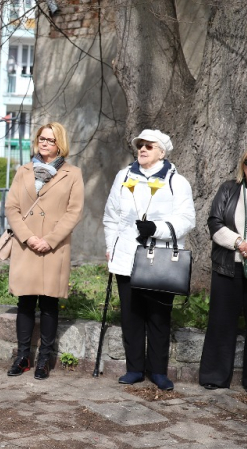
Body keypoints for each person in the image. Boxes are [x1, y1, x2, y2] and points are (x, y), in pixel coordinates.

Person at [103, 129, 195, 391]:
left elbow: (187, 219)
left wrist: (157, 228)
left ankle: (158, 371)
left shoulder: (177, 182)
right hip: (126, 257)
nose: (142, 149)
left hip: (160, 259)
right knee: (131, 315)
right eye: (140, 145)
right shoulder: (123, 176)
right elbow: (111, 217)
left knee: (158, 316)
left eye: (149, 146)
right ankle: (133, 369)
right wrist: (111, 246)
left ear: (162, 152)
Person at [5, 122, 85, 381]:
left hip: (54, 247)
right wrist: (28, 237)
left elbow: (74, 211)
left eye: (50, 140)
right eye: (41, 138)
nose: (45, 143)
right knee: (25, 303)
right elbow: (12, 208)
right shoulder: (23, 171)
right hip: (25, 246)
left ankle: (44, 360)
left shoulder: (73, 174)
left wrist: (49, 240)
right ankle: (23, 356)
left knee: (50, 303)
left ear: (59, 143)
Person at [199, 142, 247, 393]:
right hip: (228, 267)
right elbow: (214, 223)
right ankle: (214, 376)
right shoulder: (228, 189)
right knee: (221, 322)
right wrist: (240, 243)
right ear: (242, 165)